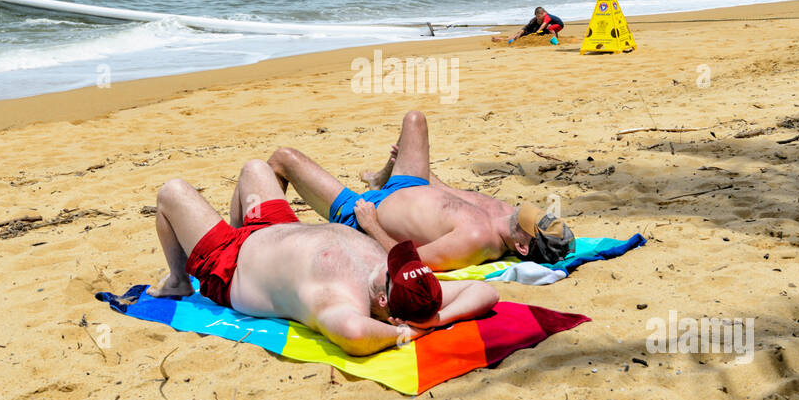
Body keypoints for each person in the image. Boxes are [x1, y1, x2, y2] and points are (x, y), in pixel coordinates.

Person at [151, 159, 497, 355]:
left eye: (393, 268)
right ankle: (223, 232)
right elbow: (487, 293)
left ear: (381, 298)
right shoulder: (419, 291)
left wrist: (406, 334)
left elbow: (354, 333)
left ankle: (179, 281)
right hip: (277, 227)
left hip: (230, 264)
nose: (391, 258)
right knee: (256, 168)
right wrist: (435, 320)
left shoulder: (344, 302)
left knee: (171, 192)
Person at [268, 110, 574, 271]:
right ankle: (382, 177)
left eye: (542, 225)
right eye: (548, 218)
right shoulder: (504, 213)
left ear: (522, 246)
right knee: (415, 119)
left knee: (283, 158)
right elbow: (451, 198)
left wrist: (371, 224)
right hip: (411, 185)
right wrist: (427, 174)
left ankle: (253, 240)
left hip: (361, 211)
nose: (542, 216)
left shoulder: (478, 241)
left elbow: (410, 262)